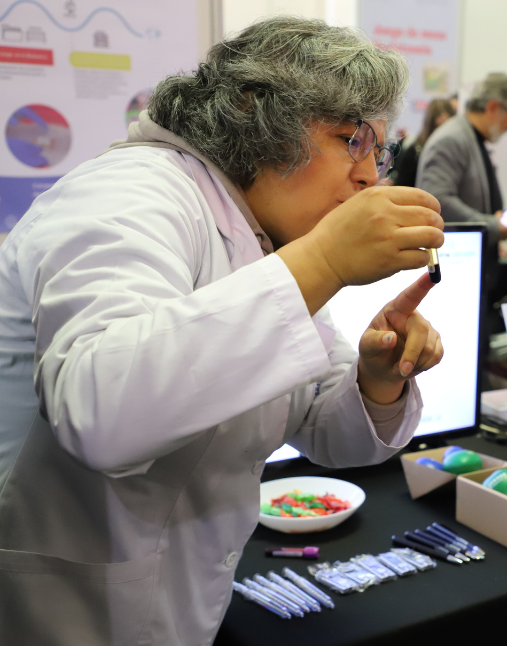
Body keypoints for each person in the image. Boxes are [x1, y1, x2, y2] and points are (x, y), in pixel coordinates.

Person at [0, 19, 446, 645]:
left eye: (380, 149)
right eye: (352, 140)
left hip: (174, 597)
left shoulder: (262, 237)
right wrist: (324, 262)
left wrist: (375, 381)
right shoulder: (129, 194)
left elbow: (323, 427)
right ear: (256, 118)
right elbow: (99, 412)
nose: (371, 175)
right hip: (54, 607)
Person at [416, 72, 507, 282]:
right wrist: (492, 225)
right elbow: (438, 200)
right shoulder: (452, 139)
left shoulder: (470, 137)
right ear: (493, 107)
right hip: (456, 266)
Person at [393, 98, 456, 187]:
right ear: (431, 124)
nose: (441, 133)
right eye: (438, 126)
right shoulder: (415, 151)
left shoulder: (456, 151)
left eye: (446, 127)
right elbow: (401, 186)